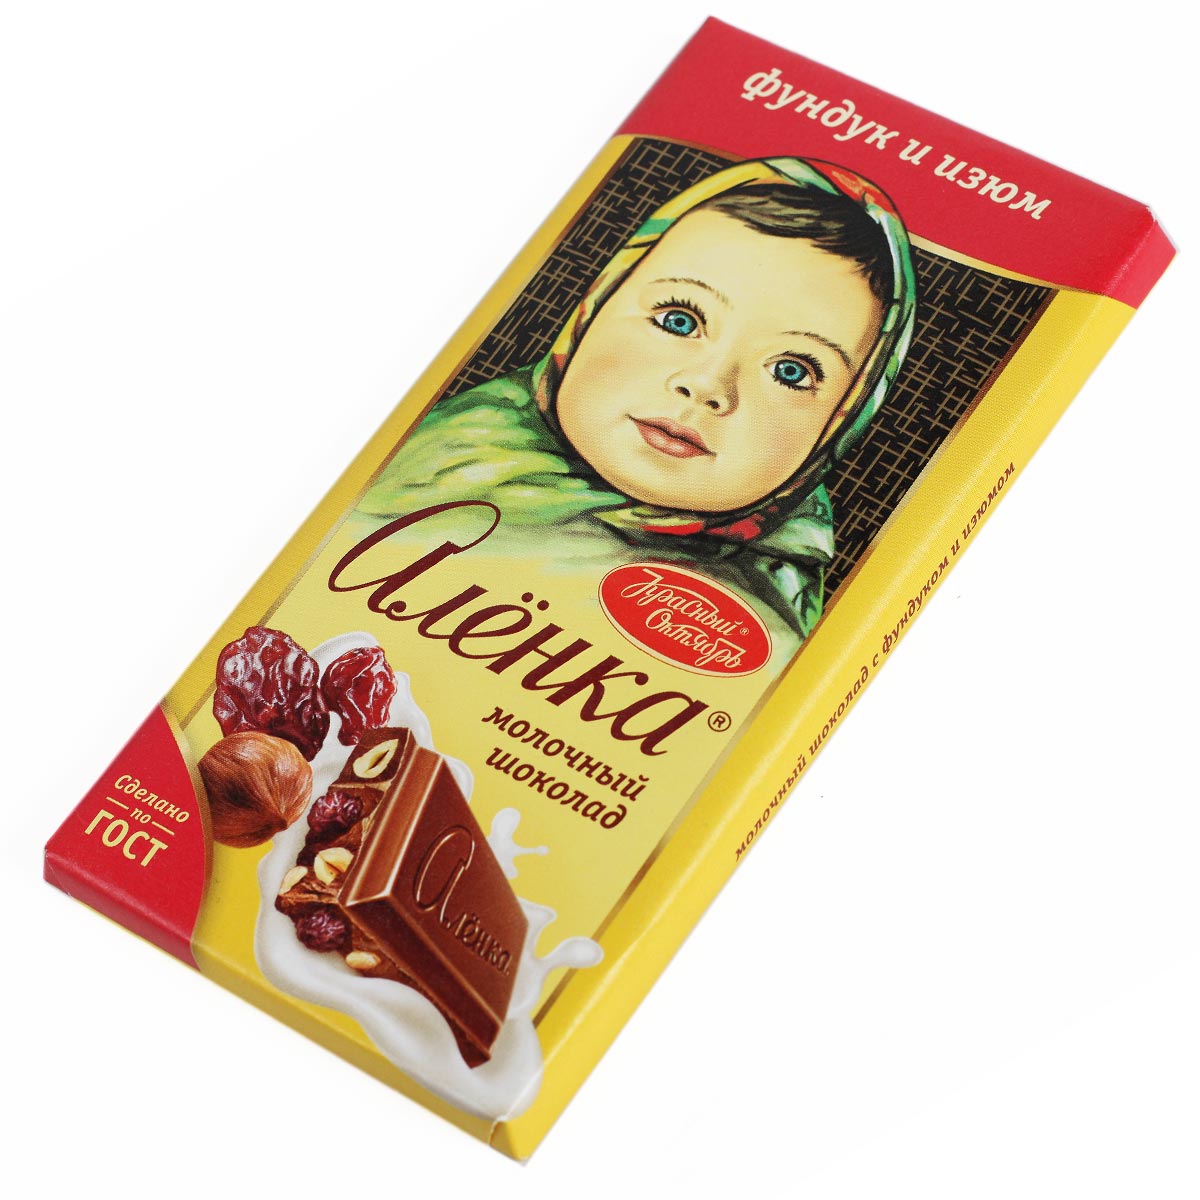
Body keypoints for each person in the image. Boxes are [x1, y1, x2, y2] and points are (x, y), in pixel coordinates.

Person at [360, 157, 916, 652]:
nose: (707, 385)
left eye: (790, 371)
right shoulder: (431, 448)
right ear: (594, 309)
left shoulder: (765, 620)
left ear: (844, 419)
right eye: (679, 319)